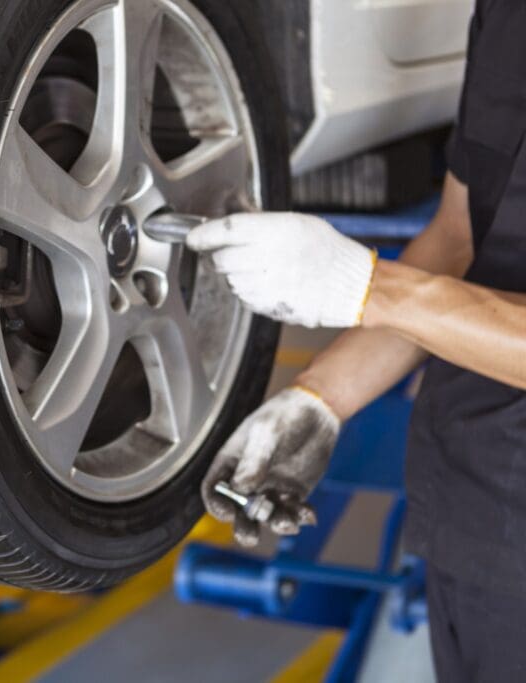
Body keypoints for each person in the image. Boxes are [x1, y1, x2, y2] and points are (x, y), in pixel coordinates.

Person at [184, 2, 526, 680]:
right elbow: (458, 236)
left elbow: (389, 288)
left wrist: (363, 287)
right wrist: (317, 400)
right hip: (472, 519)